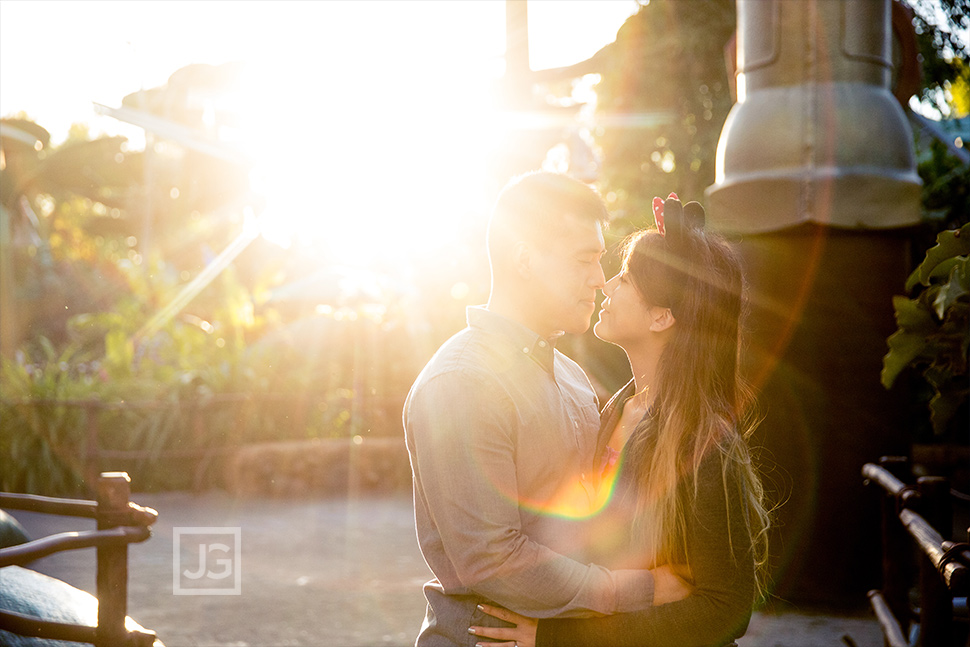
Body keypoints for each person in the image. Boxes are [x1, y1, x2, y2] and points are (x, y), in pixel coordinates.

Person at [468, 195, 771, 647]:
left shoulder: (703, 441)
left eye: (626, 278)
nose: (607, 285)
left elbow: (726, 609)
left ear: (662, 316)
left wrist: (558, 639)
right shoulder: (611, 411)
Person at [403, 174, 692, 647]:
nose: (600, 279)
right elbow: (493, 560)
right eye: (586, 259)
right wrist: (641, 590)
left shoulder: (573, 377)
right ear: (525, 259)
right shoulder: (461, 383)